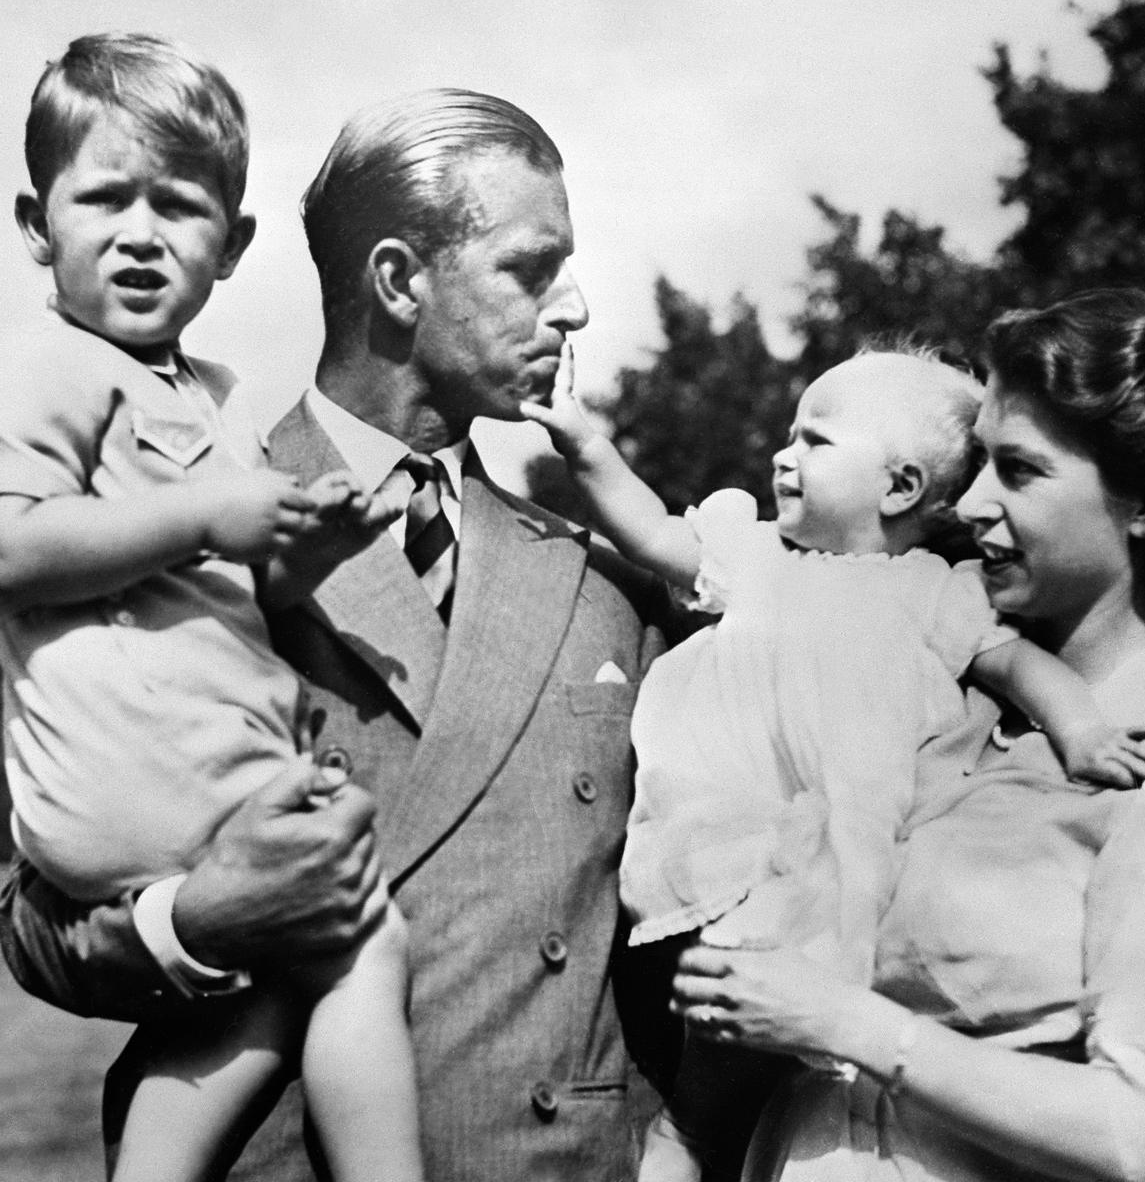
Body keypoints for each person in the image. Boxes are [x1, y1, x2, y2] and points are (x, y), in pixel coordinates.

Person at [0, 87, 671, 1182]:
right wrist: (194, 922)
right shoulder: (156, 530)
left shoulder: (604, 580)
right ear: (401, 280)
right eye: (531, 267)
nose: (575, 308)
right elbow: (26, 917)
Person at [525, 345, 1145, 1180]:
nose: (783, 455)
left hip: (847, 875)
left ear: (899, 487)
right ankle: (682, 1142)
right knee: (707, 1090)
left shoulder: (943, 593)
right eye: (790, 435)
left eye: (815, 441)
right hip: (733, 856)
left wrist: (1082, 729)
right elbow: (652, 533)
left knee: (800, 1055)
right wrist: (582, 443)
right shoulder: (758, 558)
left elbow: (1019, 668)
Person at [1, 33, 426, 1182]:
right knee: (361, 943)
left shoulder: (217, 397)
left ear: (231, 246)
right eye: (106, 201)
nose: (142, 233)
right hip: (137, 772)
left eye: (181, 208)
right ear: (38, 225)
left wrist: (303, 550)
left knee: (262, 996)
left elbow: (239, 585)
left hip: (181, 769)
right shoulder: (45, 365)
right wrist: (206, 515)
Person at [670, 289, 1145, 1182]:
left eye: (1020, 472)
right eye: (980, 462)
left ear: (1141, 503)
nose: (972, 502)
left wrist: (846, 1023)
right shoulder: (937, 678)